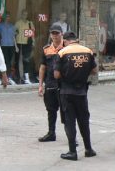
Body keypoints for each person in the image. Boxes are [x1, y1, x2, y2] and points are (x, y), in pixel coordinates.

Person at [54, 31, 97, 161]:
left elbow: (56, 75)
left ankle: (72, 151)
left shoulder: (62, 52)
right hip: (82, 91)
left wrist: (66, 77)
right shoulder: (87, 51)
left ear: (65, 40)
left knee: (69, 121)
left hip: (67, 91)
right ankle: (88, 149)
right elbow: (94, 71)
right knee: (84, 121)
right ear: (76, 40)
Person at [38, 24, 64, 142]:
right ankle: (51, 133)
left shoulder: (66, 48)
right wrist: (40, 85)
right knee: (51, 110)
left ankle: (71, 136)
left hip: (63, 85)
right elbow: (42, 68)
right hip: (50, 84)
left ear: (61, 34)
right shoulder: (46, 49)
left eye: (57, 33)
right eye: (52, 33)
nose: (54, 35)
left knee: (67, 111)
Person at [0, 12, 17, 85]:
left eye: (9, 16)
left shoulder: (12, 25)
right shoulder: (0, 25)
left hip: (11, 45)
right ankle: (2, 77)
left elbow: (14, 36)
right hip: (3, 45)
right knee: (4, 61)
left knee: (10, 62)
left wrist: (16, 46)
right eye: (7, 16)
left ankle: (9, 77)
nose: (8, 18)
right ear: (4, 17)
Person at [14, 9, 35, 84]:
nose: (25, 16)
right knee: (18, 60)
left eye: (26, 14)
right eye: (23, 14)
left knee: (26, 60)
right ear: (21, 14)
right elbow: (14, 32)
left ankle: (26, 77)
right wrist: (15, 43)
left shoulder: (30, 23)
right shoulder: (18, 23)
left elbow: (32, 33)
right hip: (19, 43)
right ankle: (18, 77)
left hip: (27, 43)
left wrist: (33, 41)